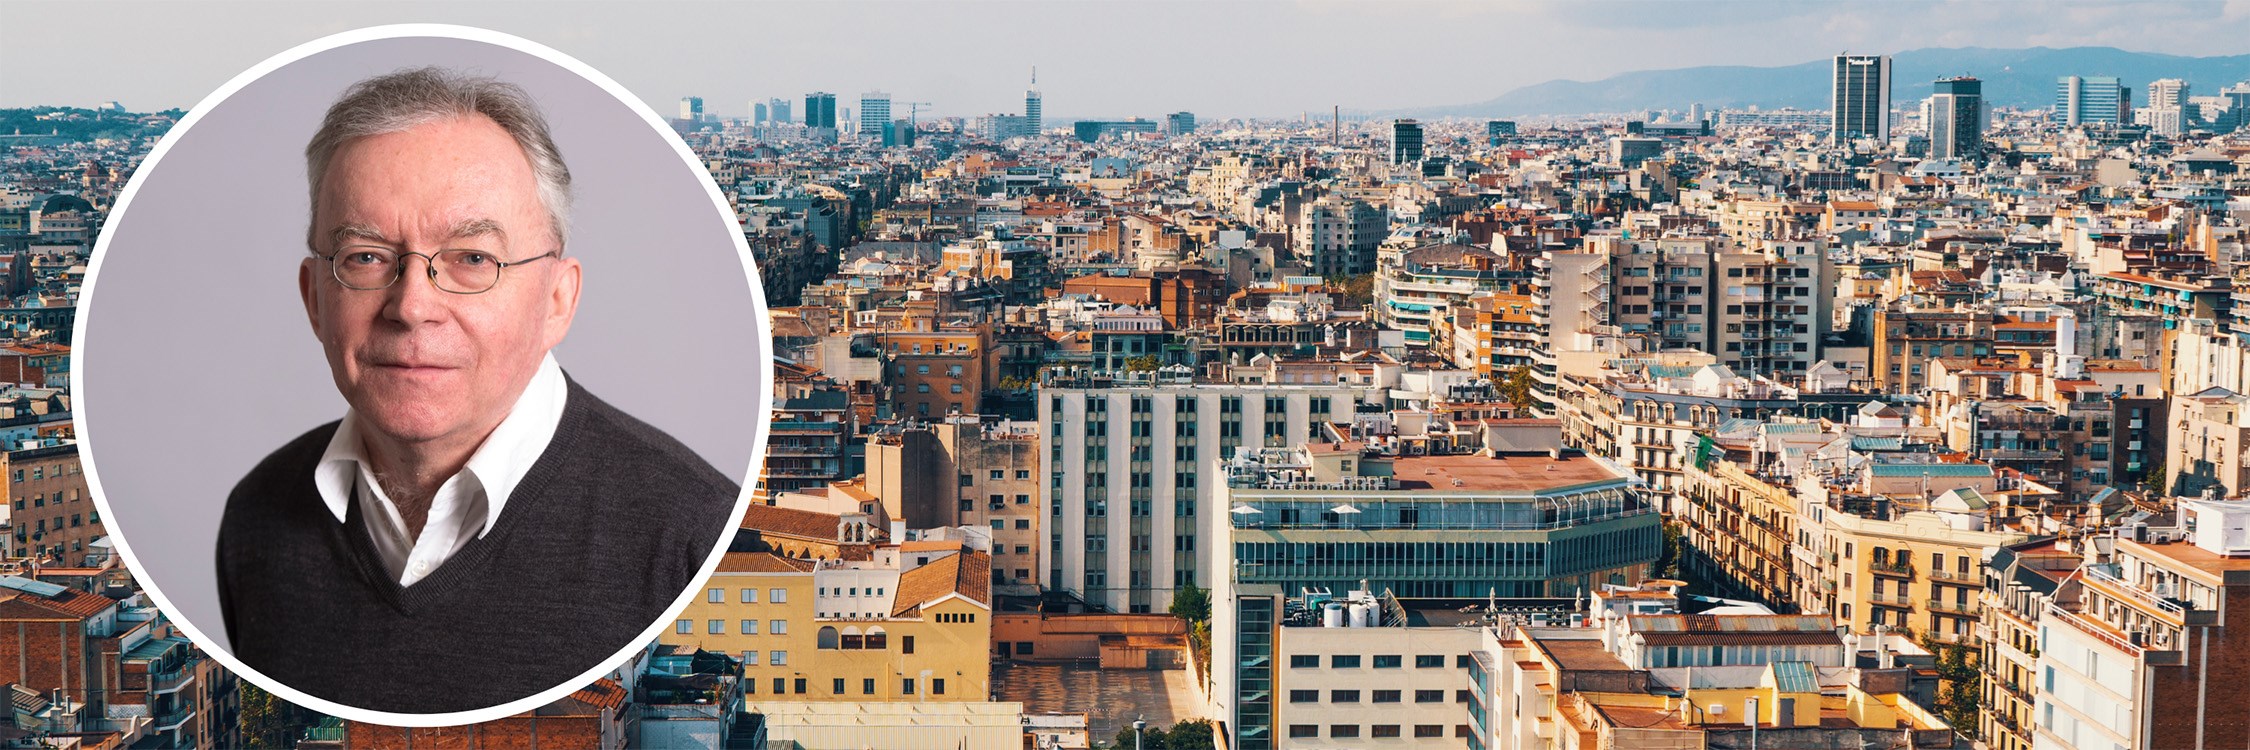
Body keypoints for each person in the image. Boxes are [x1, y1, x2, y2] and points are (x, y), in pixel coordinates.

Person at [216, 67, 739, 714]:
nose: (412, 306)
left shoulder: (694, 535)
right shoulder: (257, 519)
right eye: (366, 257)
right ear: (314, 300)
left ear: (557, 299)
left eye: (471, 259)